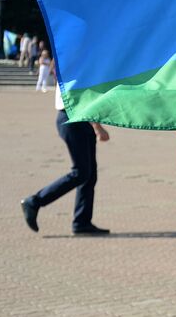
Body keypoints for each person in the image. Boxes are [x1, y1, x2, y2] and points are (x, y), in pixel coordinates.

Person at [20, 84, 111, 235]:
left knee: (89, 175)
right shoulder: (71, 67)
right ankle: (35, 201)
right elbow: (80, 98)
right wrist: (97, 127)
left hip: (82, 120)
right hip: (72, 118)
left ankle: (82, 222)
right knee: (81, 172)